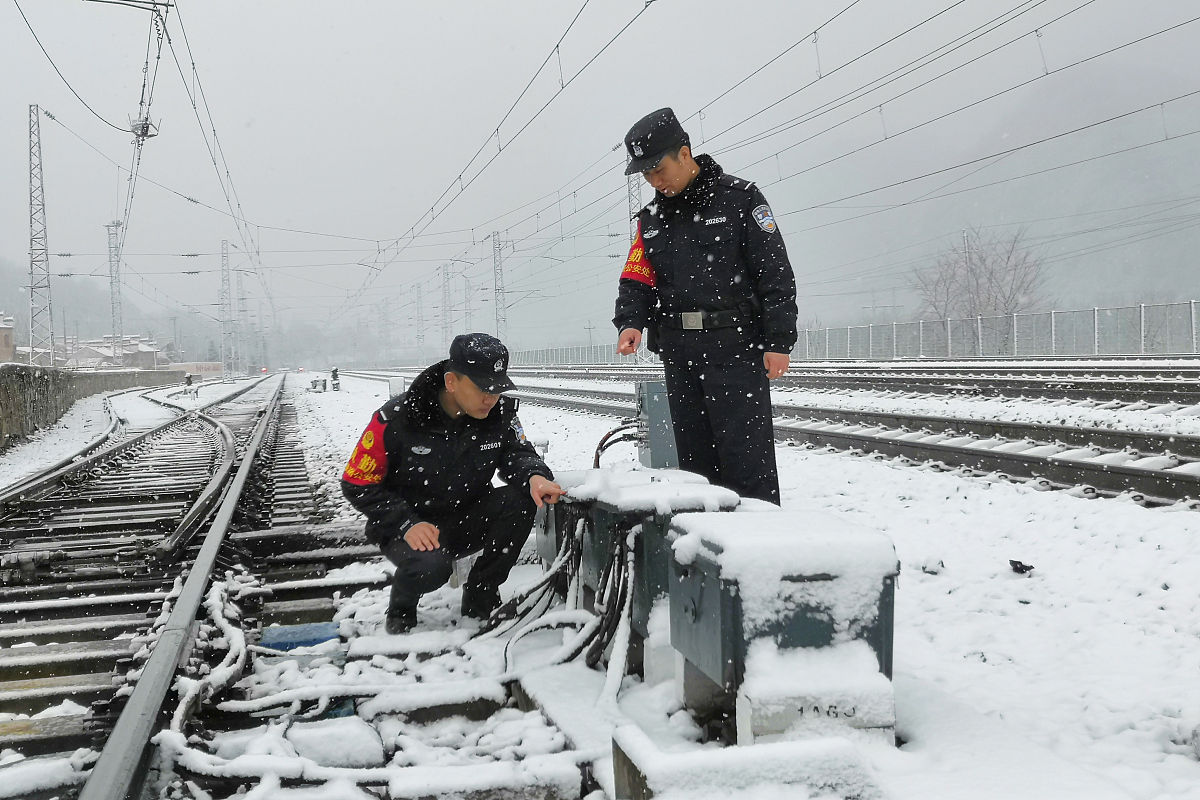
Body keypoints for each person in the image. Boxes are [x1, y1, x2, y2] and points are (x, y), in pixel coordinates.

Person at [613, 107, 798, 504]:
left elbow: (775, 275)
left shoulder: (740, 201)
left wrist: (779, 340)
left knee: (747, 463)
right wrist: (631, 322)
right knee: (696, 471)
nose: (654, 181)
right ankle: (704, 555)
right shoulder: (652, 220)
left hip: (735, 349)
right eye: (645, 174)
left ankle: (756, 554)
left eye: (658, 169)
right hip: (680, 355)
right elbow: (636, 278)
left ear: (684, 153)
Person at [341, 333, 566, 634]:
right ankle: (401, 606)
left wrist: (535, 475)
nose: (491, 398)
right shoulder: (398, 419)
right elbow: (357, 483)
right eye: (482, 389)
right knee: (431, 568)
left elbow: (517, 453)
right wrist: (407, 523)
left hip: (467, 518)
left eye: (497, 390)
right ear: (451, 382)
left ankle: (480, 596)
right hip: (409, 528)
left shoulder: (498, 415)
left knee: (521, 500)